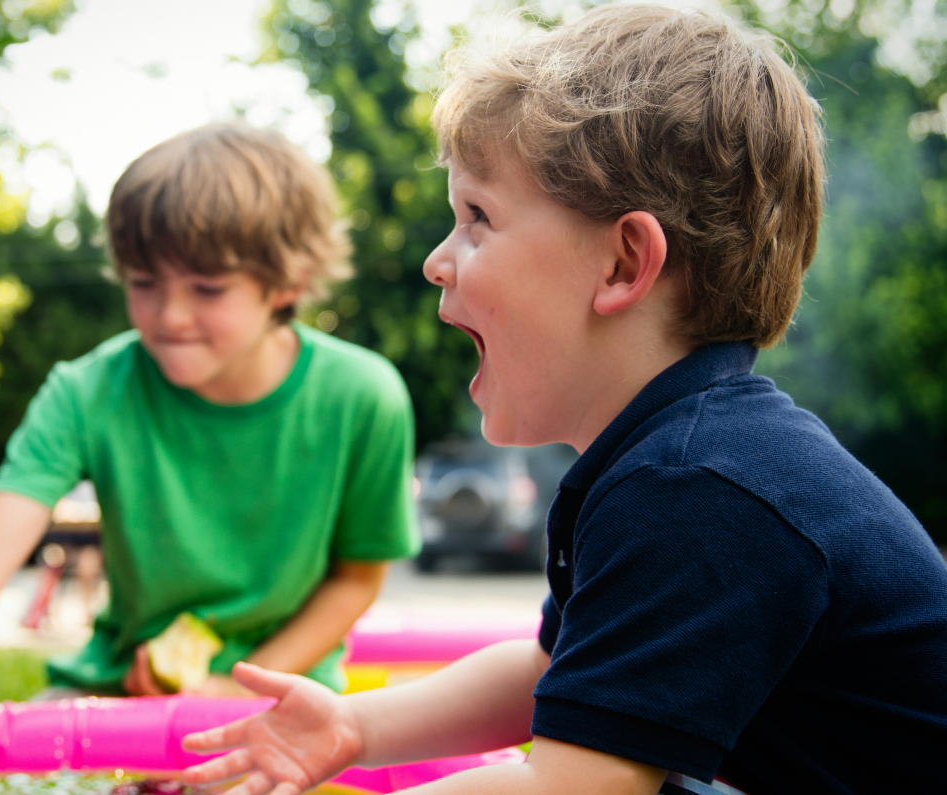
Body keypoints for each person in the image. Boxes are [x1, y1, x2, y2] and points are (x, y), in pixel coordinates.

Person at [179, 7, 947, 795]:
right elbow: (551, 672)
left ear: (622, 264)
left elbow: (571, 785)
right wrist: (354, 726)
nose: (437, 261)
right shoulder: (672, 458)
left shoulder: (701, 489)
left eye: (477, 217)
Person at [0, 123, 421, 793]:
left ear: (287, 282)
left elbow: (356, 577)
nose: (169, 316)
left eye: (207, 288)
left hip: (285, 704)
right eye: (144, 282)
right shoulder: (88, 389)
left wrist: (231, 688)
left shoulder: (364, 395)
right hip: (114, 697)